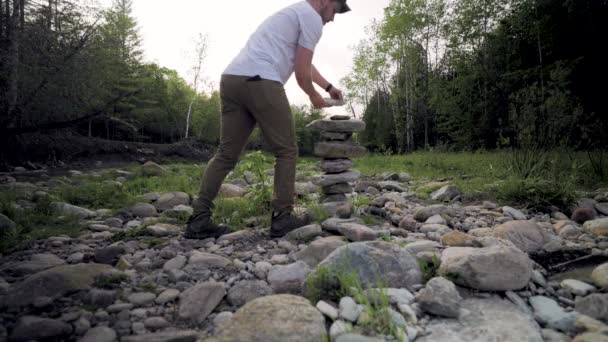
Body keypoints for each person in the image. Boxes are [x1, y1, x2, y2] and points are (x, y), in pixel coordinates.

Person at [185, 0, 351, 239]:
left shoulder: (294, 13)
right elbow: (301, 73)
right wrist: (313, 96)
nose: (333, 17)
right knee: (286, 150)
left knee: (226, 153)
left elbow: (301, 62)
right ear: (325, 1)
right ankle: (282, 217)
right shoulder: (313, 18)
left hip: (232, 79)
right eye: (335, 10)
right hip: (261, 80)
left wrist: (328, 86)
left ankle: (198, 219)